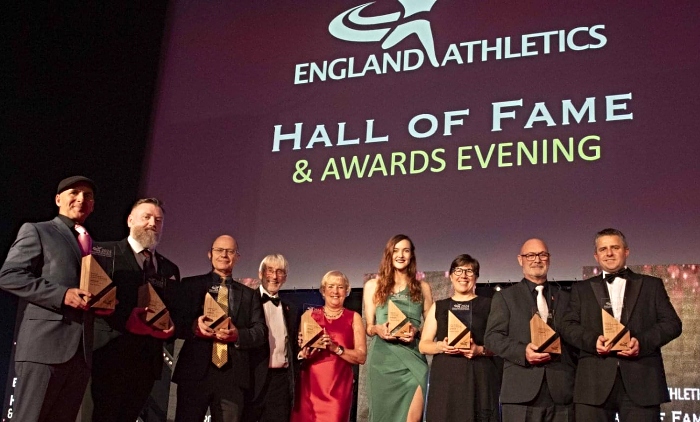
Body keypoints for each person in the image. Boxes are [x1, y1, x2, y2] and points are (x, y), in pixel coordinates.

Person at [0, 176, 98, 422]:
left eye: (88, 196)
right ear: (58, 199)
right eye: (74, 192)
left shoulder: (92, 244)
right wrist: (62, 295)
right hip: (43, 348)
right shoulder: (37, 230)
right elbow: (9, 275)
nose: (81, 199)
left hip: (80, 353)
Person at [560, 228, 682, 422]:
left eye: (615, 247)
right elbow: (567, 326)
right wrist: (593, 341)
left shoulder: (651, 285)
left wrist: (641, 342)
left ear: (626, 251)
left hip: (642, 381)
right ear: (596, 255)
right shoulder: (580, 289)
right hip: (593, 384)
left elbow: (672, 324)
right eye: (603, 249)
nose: (609, 253)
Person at [90, 197, 180, 422]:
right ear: (130, 220)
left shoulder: (169, 268)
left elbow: (173, 311)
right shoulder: (103, 253)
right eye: (146, 217)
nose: (152, 223)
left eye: (158, 220)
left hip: (146, 363)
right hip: (108, 357)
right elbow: (93, 303)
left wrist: (172, 327)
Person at [172, 235, 267, 422]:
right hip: (195, 373)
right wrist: (193, 327)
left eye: (230, 251)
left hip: (232, 377)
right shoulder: (191, 285)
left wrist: (238, 335)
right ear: (210, 254)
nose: (224, 255)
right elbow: (176, 321)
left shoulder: (249, 294)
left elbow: (260, 331)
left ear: (237, 257)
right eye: (219, 250)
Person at [485, 238, 576, 422]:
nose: (537, 260)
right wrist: (522, 351)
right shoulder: (505, 298)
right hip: (520, 392)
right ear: (521, 260)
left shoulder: (567, 298)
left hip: (561, 391)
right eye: (531, 255)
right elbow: (492, 338)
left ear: (549, 259)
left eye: (542, 255)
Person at [419, 254, 501, 422]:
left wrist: (480, 350)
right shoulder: (439, 306)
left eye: (469, 271)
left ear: (476, 277)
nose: (463, 275)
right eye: (458, 270)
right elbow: (423, 345)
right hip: (445, 380)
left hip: (479, 378)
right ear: (451, 276)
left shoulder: (490, 305)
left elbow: (500, 344)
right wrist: (441, 346)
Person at [363, 234, 433, 422]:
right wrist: (378, 329)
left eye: (406, 250)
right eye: (396, 250)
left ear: (411, 255)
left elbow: (431, 326)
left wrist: (416, 331)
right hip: (382, 361)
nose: (400, 255)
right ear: (389, 254)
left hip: (413, 359)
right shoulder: (372, 286)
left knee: (413, 419)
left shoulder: (423, 287)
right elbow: (369, 327)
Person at [291, 271, 367, 422]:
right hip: (309, 389)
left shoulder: (354, 318)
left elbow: (361, 356)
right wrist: (302, 352)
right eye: (331, 286)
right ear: (323, 290)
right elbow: (299, 352)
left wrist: (335, 348)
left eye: (340, 287)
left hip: (337, 390)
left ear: (347, 291)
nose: (335, 291)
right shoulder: (309, 315)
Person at [244, 254, 298, 422]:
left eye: (280, 272)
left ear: (285, 278)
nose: (274, 276)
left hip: (280, 382)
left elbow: (293, 346)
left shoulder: (291, 309)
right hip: (252, 377)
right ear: (260, 274)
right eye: (270, 271)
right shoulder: (245, 301)